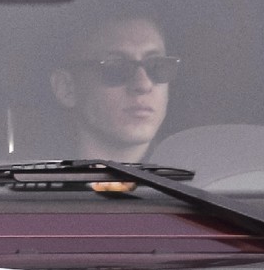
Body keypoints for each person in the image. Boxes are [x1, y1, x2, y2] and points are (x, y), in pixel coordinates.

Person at [49, 16, 180, 162]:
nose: (143, 85)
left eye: (157, 66)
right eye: (116, 66)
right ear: (66, 88)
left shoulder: (196, 172)